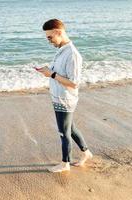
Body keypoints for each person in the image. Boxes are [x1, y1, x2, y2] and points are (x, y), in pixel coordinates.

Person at [36, 19, 93, 173]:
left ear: (58, 32)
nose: (49, 41)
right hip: (58, 96)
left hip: (65, 98)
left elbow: (74, 83)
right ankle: (86, 152)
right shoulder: (62, 50)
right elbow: (60, 74)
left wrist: (52, 74)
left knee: (63, 132)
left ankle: (64, 164)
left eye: (50, 37)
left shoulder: (73, 54)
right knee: (71, 128)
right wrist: (48, 71)